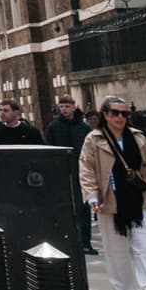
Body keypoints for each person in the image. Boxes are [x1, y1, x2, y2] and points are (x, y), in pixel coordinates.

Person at [79, 95, 146, 290]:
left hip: (141, 198)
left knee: (145, 247)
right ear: (105, 115)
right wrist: (91, 196)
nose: (120, 117)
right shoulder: (94, 139)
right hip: (110, 200)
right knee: (116, 252)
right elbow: (86, 169)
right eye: (115, 113)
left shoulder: (138, 137)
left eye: (124, 113)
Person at [45, 95, 95, 254]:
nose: (64, 109)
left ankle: (85, 242)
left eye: (67, 106)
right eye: (61, 106)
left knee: (83, 208)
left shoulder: (83, 127)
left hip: (81, 171)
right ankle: (66, 241)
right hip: (61, 171)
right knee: (63, 207)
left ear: (74, 107)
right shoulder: (54, 126)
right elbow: (48, 149)